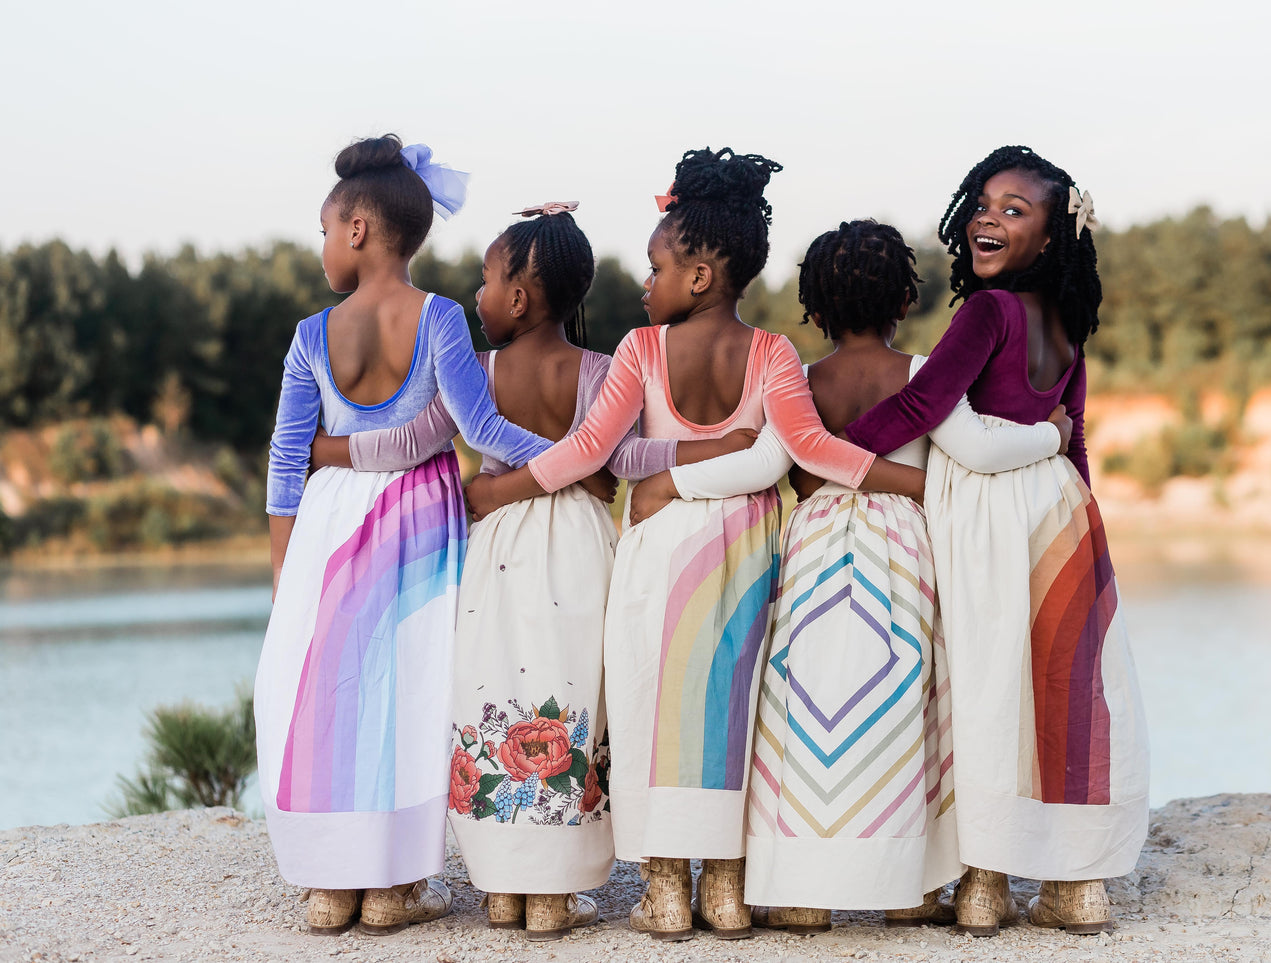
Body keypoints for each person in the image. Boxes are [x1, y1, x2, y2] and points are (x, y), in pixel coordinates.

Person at [463, 148, 927, 942]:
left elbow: (591, 452)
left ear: (701, 274)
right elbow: (804, 451)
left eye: (656, 266)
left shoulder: (641, 352)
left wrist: (502, 488)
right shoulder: (774, 353)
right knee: (727, 710)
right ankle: (725, 887)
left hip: (658, 546)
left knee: (650, 707)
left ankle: (665, 888)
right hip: (743, 547)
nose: (645, 283)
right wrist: (909, 483)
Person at [307, 203, 754, 940]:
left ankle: (502, 886)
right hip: (577, 541)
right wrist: (710, 449)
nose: (477, 296)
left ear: (516, 297)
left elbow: (414, 442)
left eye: (485, 281)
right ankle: (552, 893)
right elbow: (624, 461)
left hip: (495, 547)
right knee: (570, 688)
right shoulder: (601, 370)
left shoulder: (475, 370)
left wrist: (327, 449)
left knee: (491, 686)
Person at [633, 220, 1069, 932]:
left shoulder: (800, 381)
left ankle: (800, 886)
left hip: (810, 549)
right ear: (904, 298)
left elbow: (765, 464)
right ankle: (908, 886)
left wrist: (672, 484)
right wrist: (1053, 432)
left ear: (812, 308)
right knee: (909, 701)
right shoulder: (926, 372)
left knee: (795, 704)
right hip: (904, 548)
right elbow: (973, 449)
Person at [845, 146, 1150, 936]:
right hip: (1058, 512)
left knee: (982, 684)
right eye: (982, 203)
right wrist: (1086, 517)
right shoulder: (1066, 327)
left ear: (1050, 239)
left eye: (1014, 210)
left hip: (987, 512)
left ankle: (982, 880)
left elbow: (919, 406)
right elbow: (1073, 439)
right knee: (1058, 685)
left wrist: (832, 449)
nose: (987, 216)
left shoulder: (987, 314)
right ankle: (1076, 881)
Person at [256, 135, 555, 937]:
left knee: (331, 688)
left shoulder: (311, 334)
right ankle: (395, 882)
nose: (321, 246)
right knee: (412, 685)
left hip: (329, 519)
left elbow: (287, 457)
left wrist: (285, 574)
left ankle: (329, 885)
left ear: (358, 229)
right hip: (419, 517)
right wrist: (570, 457)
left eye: (324, 229)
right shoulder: (439, 317)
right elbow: (480, 423)